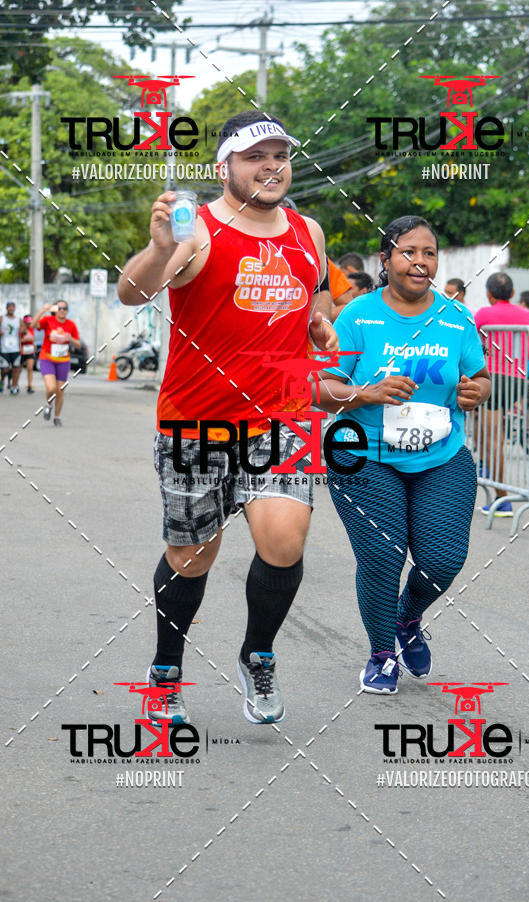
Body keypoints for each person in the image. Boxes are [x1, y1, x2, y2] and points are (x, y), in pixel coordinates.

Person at [118, 109, 337, 726]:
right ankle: (166, 669)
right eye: (254, 157)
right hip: (196, 421)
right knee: (192, 556)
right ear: (225, 167)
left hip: (282, 418)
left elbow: (318, 284)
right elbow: (132, 292)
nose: (271, 166)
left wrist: (320, 318)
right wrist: (159, 250)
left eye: (279, 156)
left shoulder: (308, 231)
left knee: (285, 544)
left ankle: (257, 653)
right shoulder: (199, 231)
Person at [316, 215, 490, 693]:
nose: (419, 261)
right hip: (364, 456)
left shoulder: (456, 318)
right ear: (386, 259)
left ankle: (407, 619)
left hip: (441, 456)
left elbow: (480, 377)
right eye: (408, 251)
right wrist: (368, 393)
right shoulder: (358, 317)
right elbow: (321, 388)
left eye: (429, 253)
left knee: (443, 560)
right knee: (382, 556)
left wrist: (476, 392)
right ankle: (381, 654)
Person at [474, 273, 529, 517]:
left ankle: (502, 498)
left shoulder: (483, 315)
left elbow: (472, 344)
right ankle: (489, 472)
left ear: (489, 294)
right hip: (518, 378)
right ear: (512, 293)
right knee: (485, 432)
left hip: (494, 377)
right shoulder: (526, 315)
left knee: (493, 438)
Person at [31, 300, 81, 426]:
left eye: (65, 308)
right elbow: (33, 324)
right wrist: (43, 310)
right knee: (51, 387)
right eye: (59, 308)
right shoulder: (48, 320)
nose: (62, 310)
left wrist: (71, 339)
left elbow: (78, 344)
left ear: (67, 311)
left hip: (63, 361)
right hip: (47, 358)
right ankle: (48, 404)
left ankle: (57, 417)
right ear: (55, 310)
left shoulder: (71, 325)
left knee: (60, 390)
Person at [0, 301, 24, 395]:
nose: (11, 309)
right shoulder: (2, 318)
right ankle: (2, 380)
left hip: (15, 348)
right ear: (6, 308)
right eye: (9, 307)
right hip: (4, 348)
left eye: (12, 307)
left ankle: (14, 386)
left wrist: (22, 331)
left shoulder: (18, 320)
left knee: (15, 369)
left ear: (14, 309)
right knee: (5, 369)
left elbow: (24, 330)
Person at [20, 314, 36, 394]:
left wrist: (28, 339)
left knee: (30, 367)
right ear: (24, 322)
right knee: (18, 369)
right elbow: (19, 340)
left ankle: (29, 386)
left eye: (30, 322)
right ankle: (14, 384)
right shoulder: (20, 329)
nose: (29, 324)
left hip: (30, 351)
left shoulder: (31, 329)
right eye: (27, 323)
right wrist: (25, 339)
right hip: (21, 351)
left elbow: (33, 338)